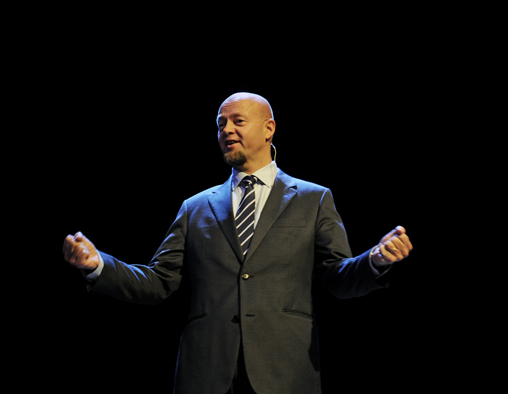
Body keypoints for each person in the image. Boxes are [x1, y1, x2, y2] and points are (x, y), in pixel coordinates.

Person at [63, 92, 413, 394]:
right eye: (220, 124)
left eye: (237, 121)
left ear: (269, 128)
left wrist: (376, 260)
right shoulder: (195, 207)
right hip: (207, 372)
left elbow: (337, 278)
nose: (226, 130)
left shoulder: (313, 199)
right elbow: (159, 281)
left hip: (284, 372)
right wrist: (98, 265)